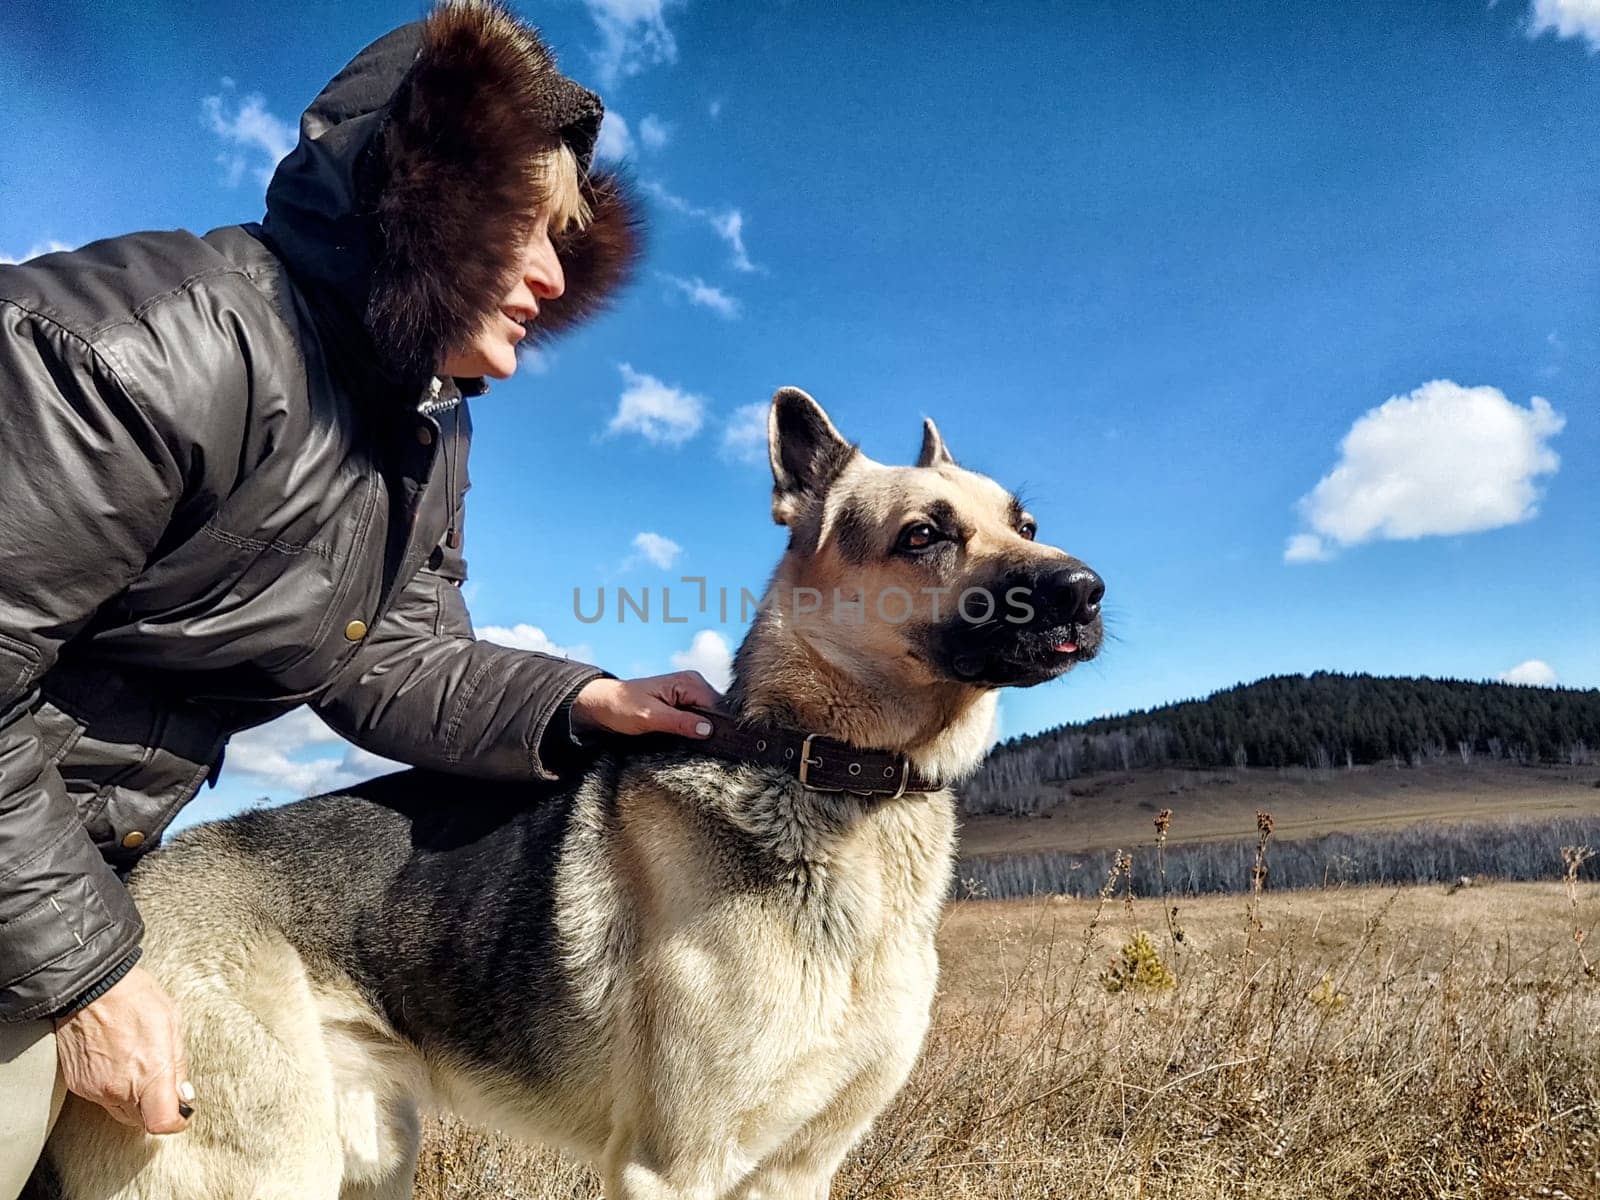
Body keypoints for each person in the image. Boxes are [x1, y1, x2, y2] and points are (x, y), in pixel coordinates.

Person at [0, 3, 721, 1192]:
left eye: (568, 242)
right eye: (525, 227)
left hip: (75, 857)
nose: (550, 275)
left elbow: (390, 653)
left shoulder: (419, 429)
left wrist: (585, 700)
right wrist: (84, 977)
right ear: (422, 201)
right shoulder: (144, 353)